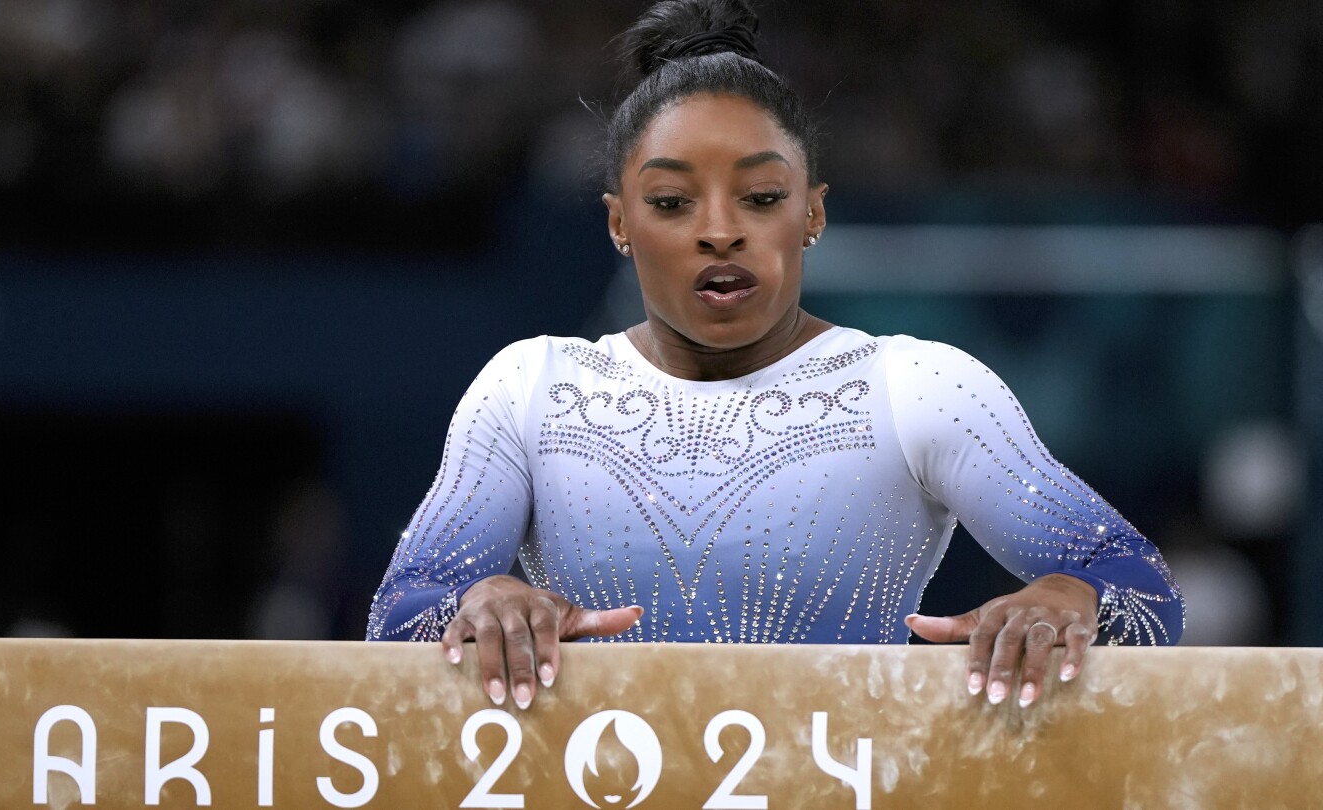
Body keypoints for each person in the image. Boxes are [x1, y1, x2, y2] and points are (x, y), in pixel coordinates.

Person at [367, 0, 1184, 713]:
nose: (719, 229)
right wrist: (481, 599)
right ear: (619, 223)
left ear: (812, 213)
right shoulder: (534, 387)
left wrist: (1067, 594)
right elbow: (399, 616)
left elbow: (1144, 592)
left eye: (760, 198)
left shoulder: (916, 387)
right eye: (670, 201)